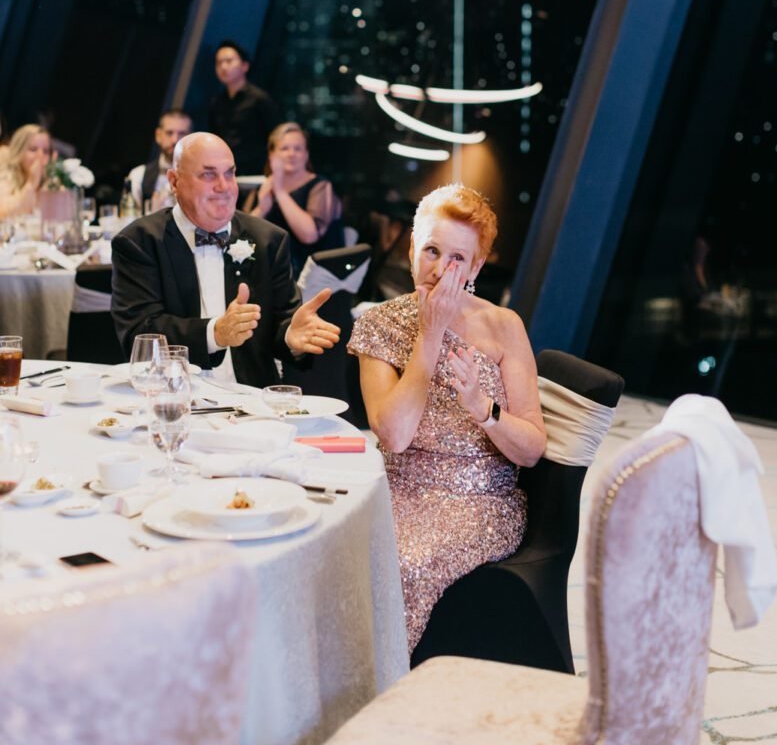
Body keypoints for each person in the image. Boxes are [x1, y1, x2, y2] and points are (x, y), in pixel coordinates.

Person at [348, 183, 546, 655]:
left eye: (458, 258)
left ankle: (391, 692)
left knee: (403, 563)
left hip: (479, 501)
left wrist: (486, 412)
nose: (440, 270)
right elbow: (393, 435)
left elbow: (533, 448)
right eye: (432, 250)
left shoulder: (504, 326)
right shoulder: (379, 322)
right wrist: (430, 334)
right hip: (396, 487)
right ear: (413, 246)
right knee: (333, 548)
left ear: (477, 266)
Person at [110, 132, 340, 387]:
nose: (224, 186)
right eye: (208, 175)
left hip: (251, 400)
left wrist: (290, 335)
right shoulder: (139, 242)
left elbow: (281, 323)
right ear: (174, 182)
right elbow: (139, 334)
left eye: (229, 173)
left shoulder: (268, 240)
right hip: (170, 395)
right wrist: (215, 334)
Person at [245, 122, 344, 278]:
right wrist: (262, 210)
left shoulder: (320, 186)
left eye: (298, 148)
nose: (291, 154)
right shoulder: (262, 189)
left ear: (306, 154)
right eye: (285, 148)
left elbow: (309, 235)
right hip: (268, 273)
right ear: (272, 155)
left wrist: (280, 192)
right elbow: (242, 238)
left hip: (312, 275)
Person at [208, 40, 280, 176]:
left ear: (245, 66)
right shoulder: (216, 102)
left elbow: (275, 137)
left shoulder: (259, 99)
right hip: (225, 173)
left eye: (229, 61)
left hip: (255, 173)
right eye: (219, 63)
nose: (223, 67)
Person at [126, 108, 193, 212]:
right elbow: (131, 221)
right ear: (158, 135)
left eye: (182, 133)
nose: (175, 140)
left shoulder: (201, 177)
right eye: (169, 133)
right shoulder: (138, 175)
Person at [0, 123, 52, 219]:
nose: (40, 156)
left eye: (45, 151)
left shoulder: (51, 181)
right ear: (19, 151)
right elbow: (4, 214)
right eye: (33, 149)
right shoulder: (5, 176)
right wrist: (31, 183)